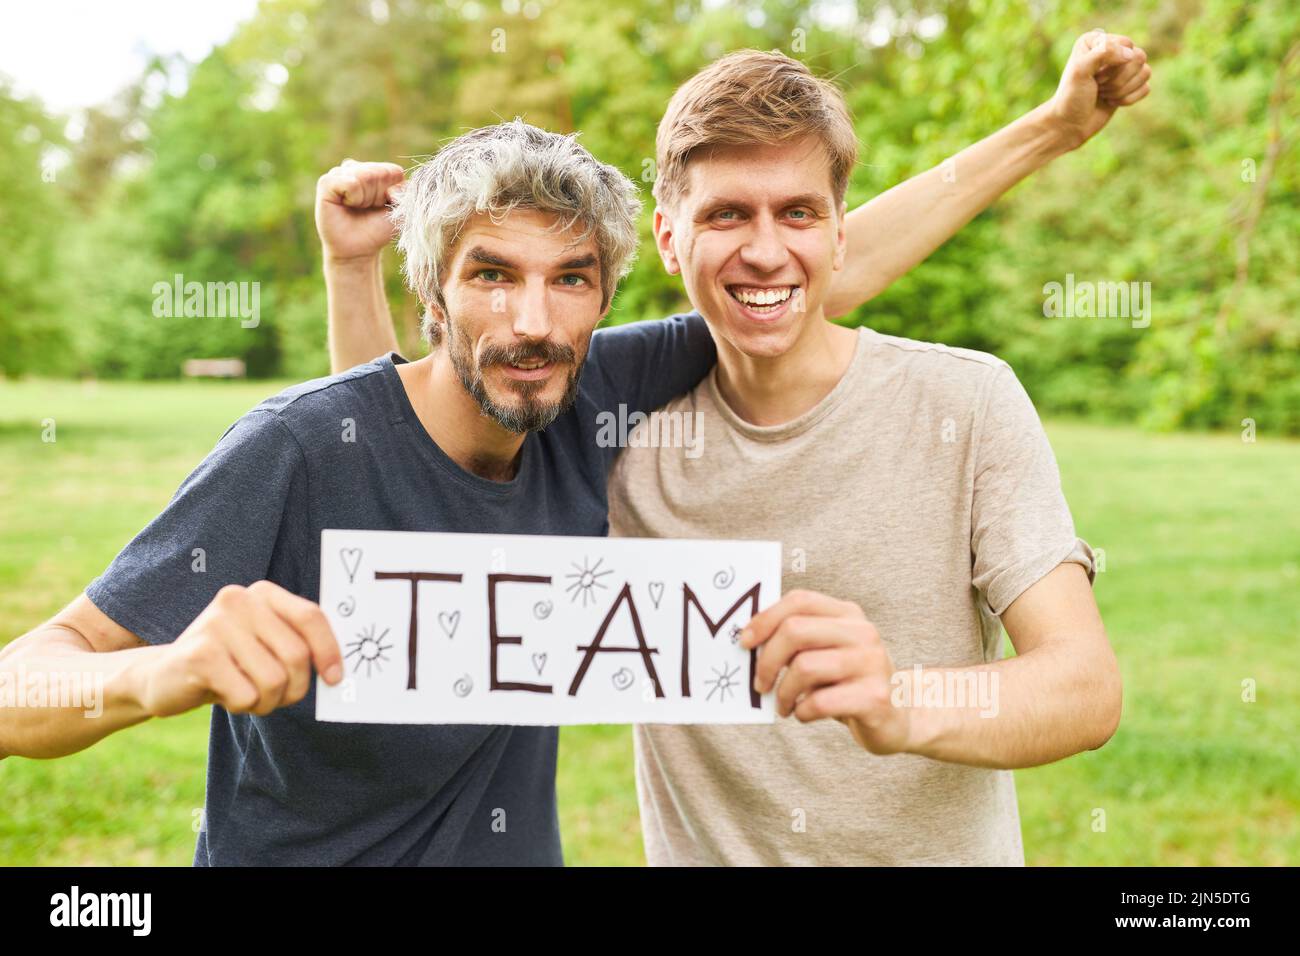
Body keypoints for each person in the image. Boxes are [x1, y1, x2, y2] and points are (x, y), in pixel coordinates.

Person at [328, 34, 1148, 864]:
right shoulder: (609, 423)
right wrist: (352, 270)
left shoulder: (967, 401)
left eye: (799, 212)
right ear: (670, 239)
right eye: (725, 214)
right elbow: (402, 465)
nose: (764, 247)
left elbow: (1083, 689)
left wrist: (900, 700)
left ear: (839, 234)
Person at [0, 121, 718, 865]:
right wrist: (160, 672)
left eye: (570, 277)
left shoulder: (590, 396)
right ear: (431, 295)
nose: (533, 323)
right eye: (491, 275)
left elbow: (792, 283)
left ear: (603, 299)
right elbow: (13, 694)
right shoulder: (293, 446)